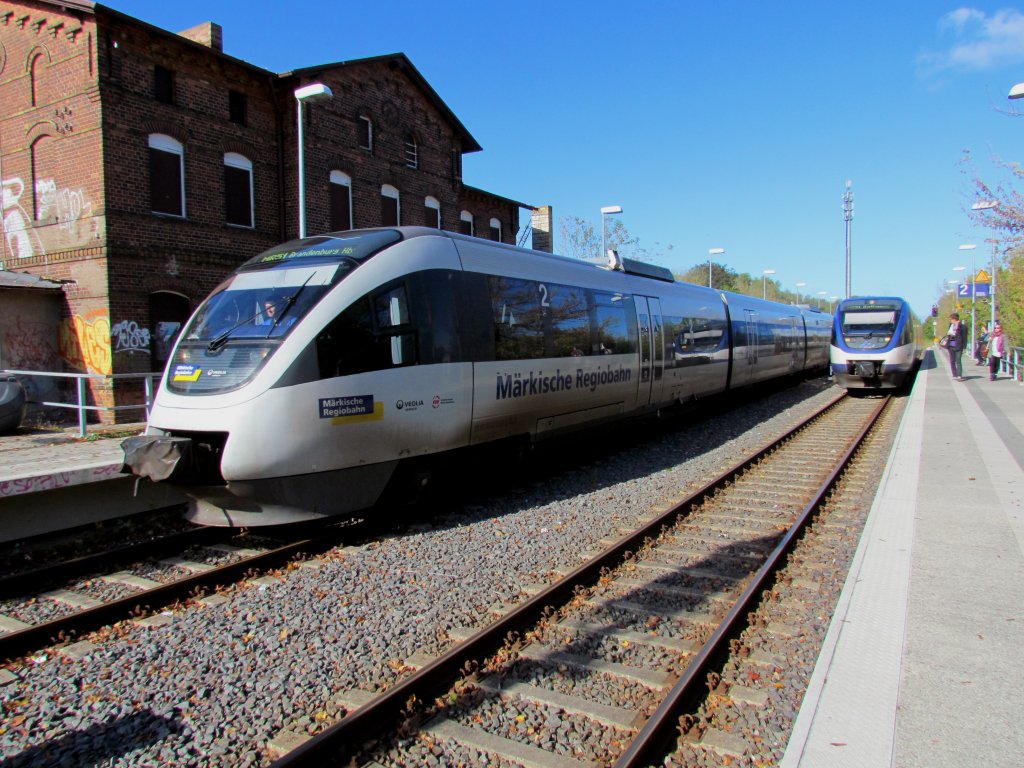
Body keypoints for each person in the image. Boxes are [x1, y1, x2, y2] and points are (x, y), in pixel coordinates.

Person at [945, 312, 968, 381]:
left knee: (958, 361)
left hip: (959, 346)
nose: (950, 321)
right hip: (951, 345)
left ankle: (959, 375)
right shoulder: (951, 326)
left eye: (951, 319)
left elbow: (964, 337)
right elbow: (948, 335)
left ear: (954, 319)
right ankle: (954, 374)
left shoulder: (962, 327)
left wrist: (964, 347)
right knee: (952, 361)